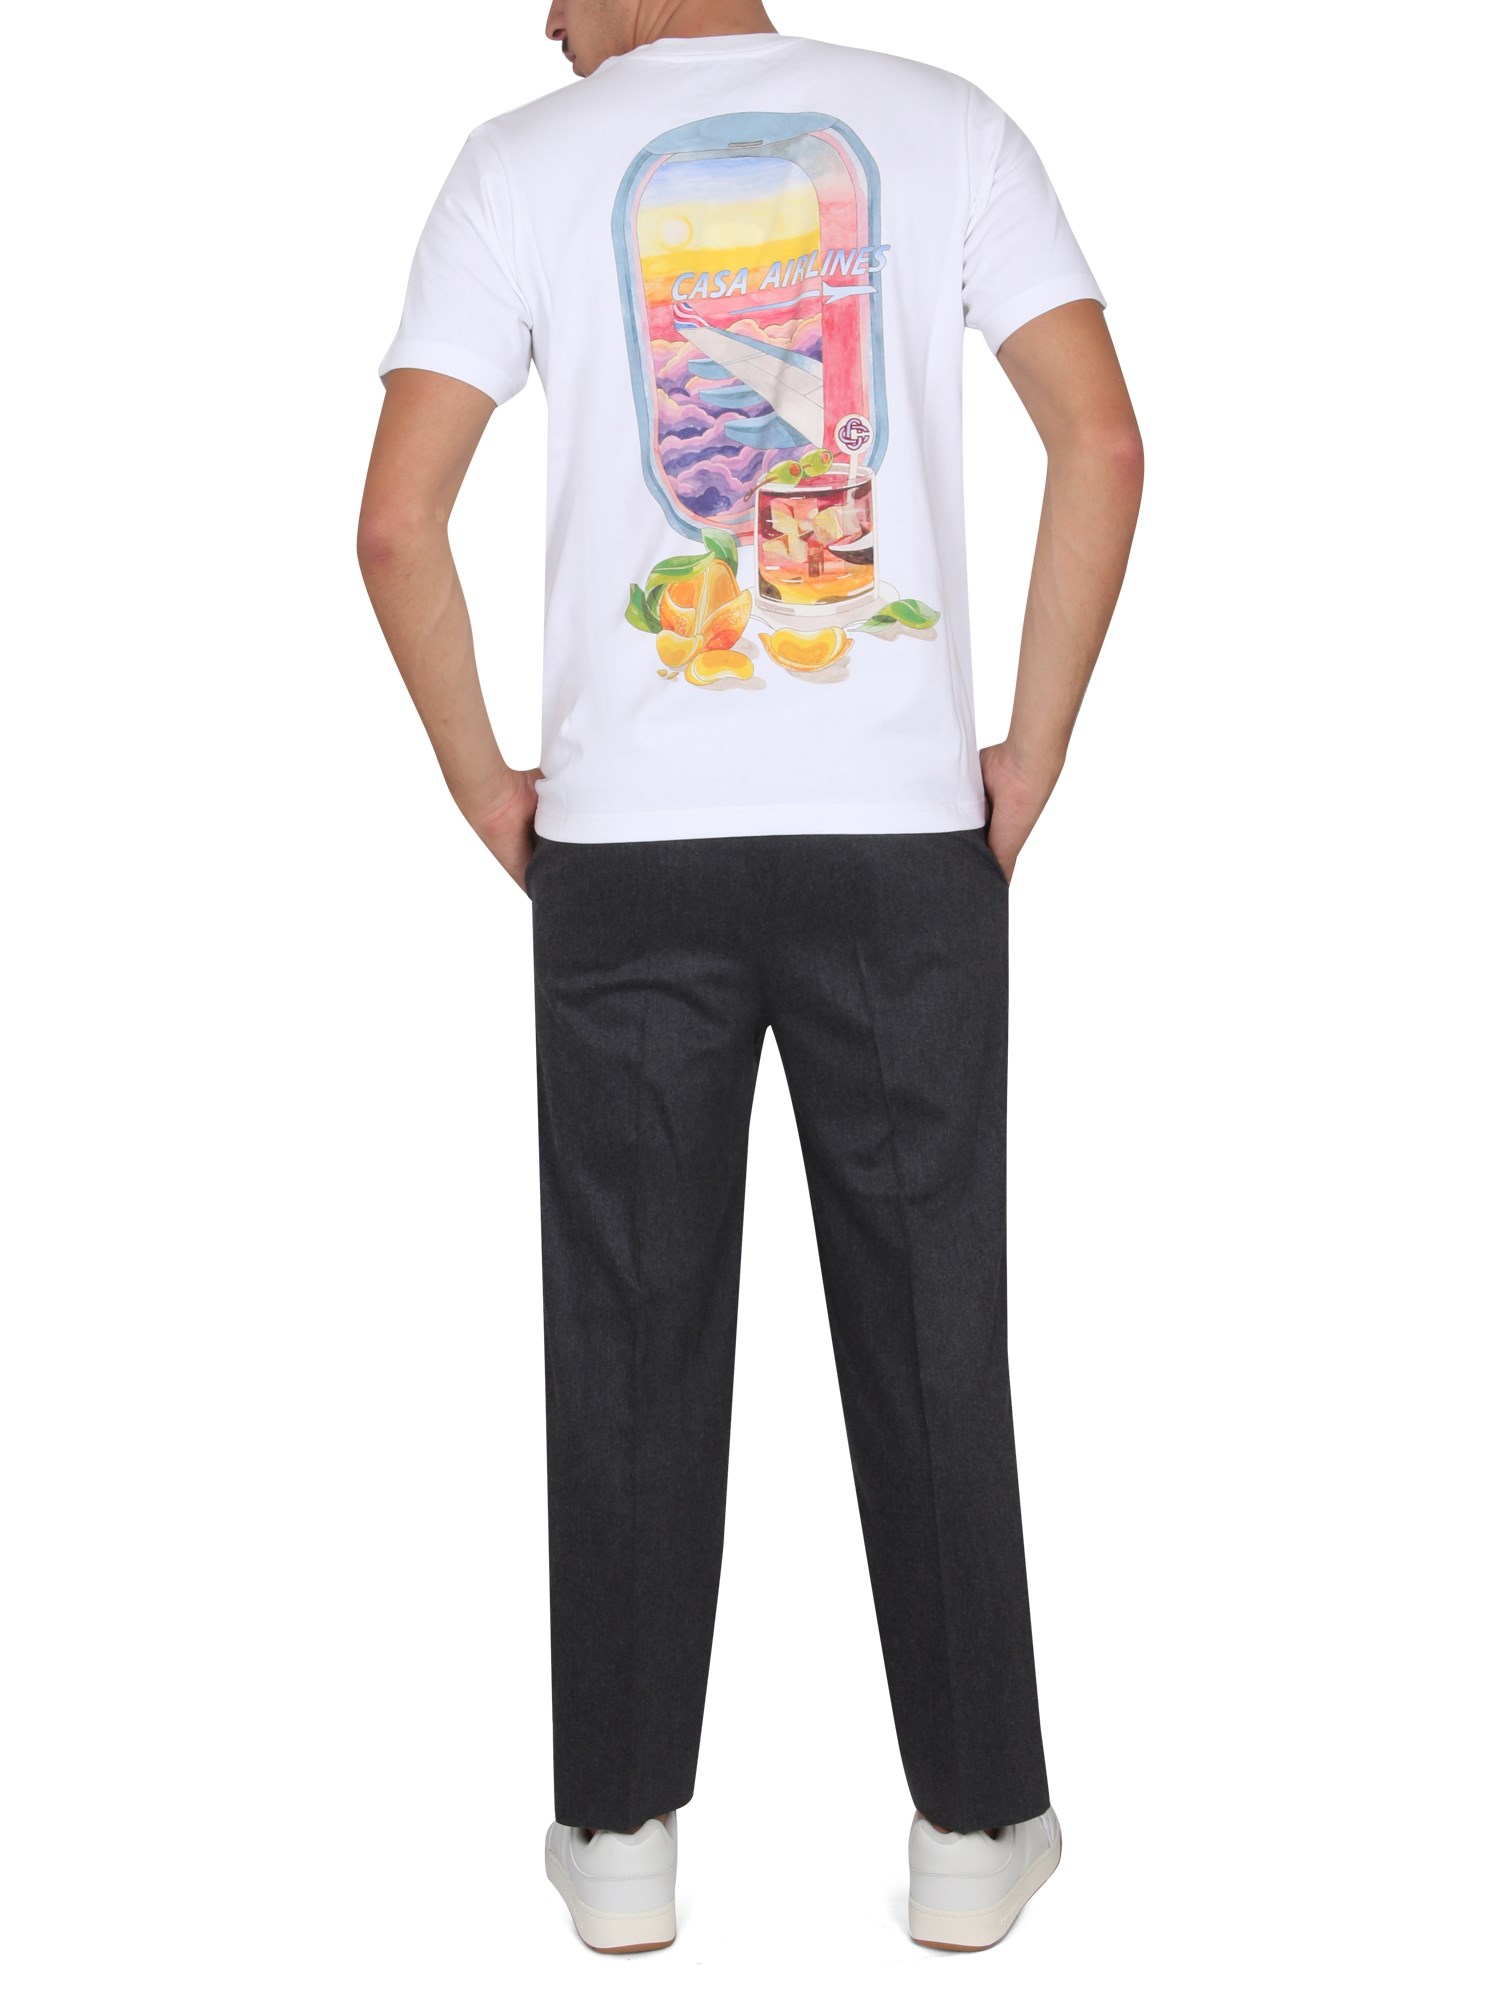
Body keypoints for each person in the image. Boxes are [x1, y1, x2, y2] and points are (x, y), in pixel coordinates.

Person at [359, 0, 1142, 1957]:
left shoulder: (513, 170)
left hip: (623, 854)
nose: (542, 16)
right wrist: (1029, 752)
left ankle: (618, 1834)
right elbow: (1104, 441)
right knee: (932, 1324)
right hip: (901, 844)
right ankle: (977, 1826)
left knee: (628, 1331)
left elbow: (394, 524)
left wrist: (485, 785)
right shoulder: (945, 124)